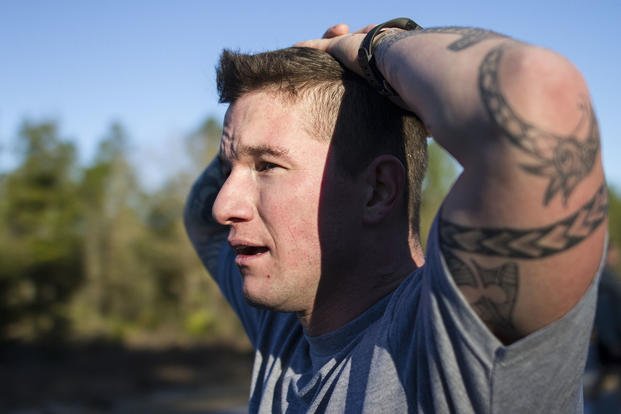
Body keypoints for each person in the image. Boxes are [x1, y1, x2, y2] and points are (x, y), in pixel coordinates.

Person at [184, 18, 607, 413]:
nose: (224, 206)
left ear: (378, 190)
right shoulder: (285, 323)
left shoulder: (449, 346)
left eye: (266, 166)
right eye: (229, 171)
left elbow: (538, 94)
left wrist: (372, 48)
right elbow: (199, 217)